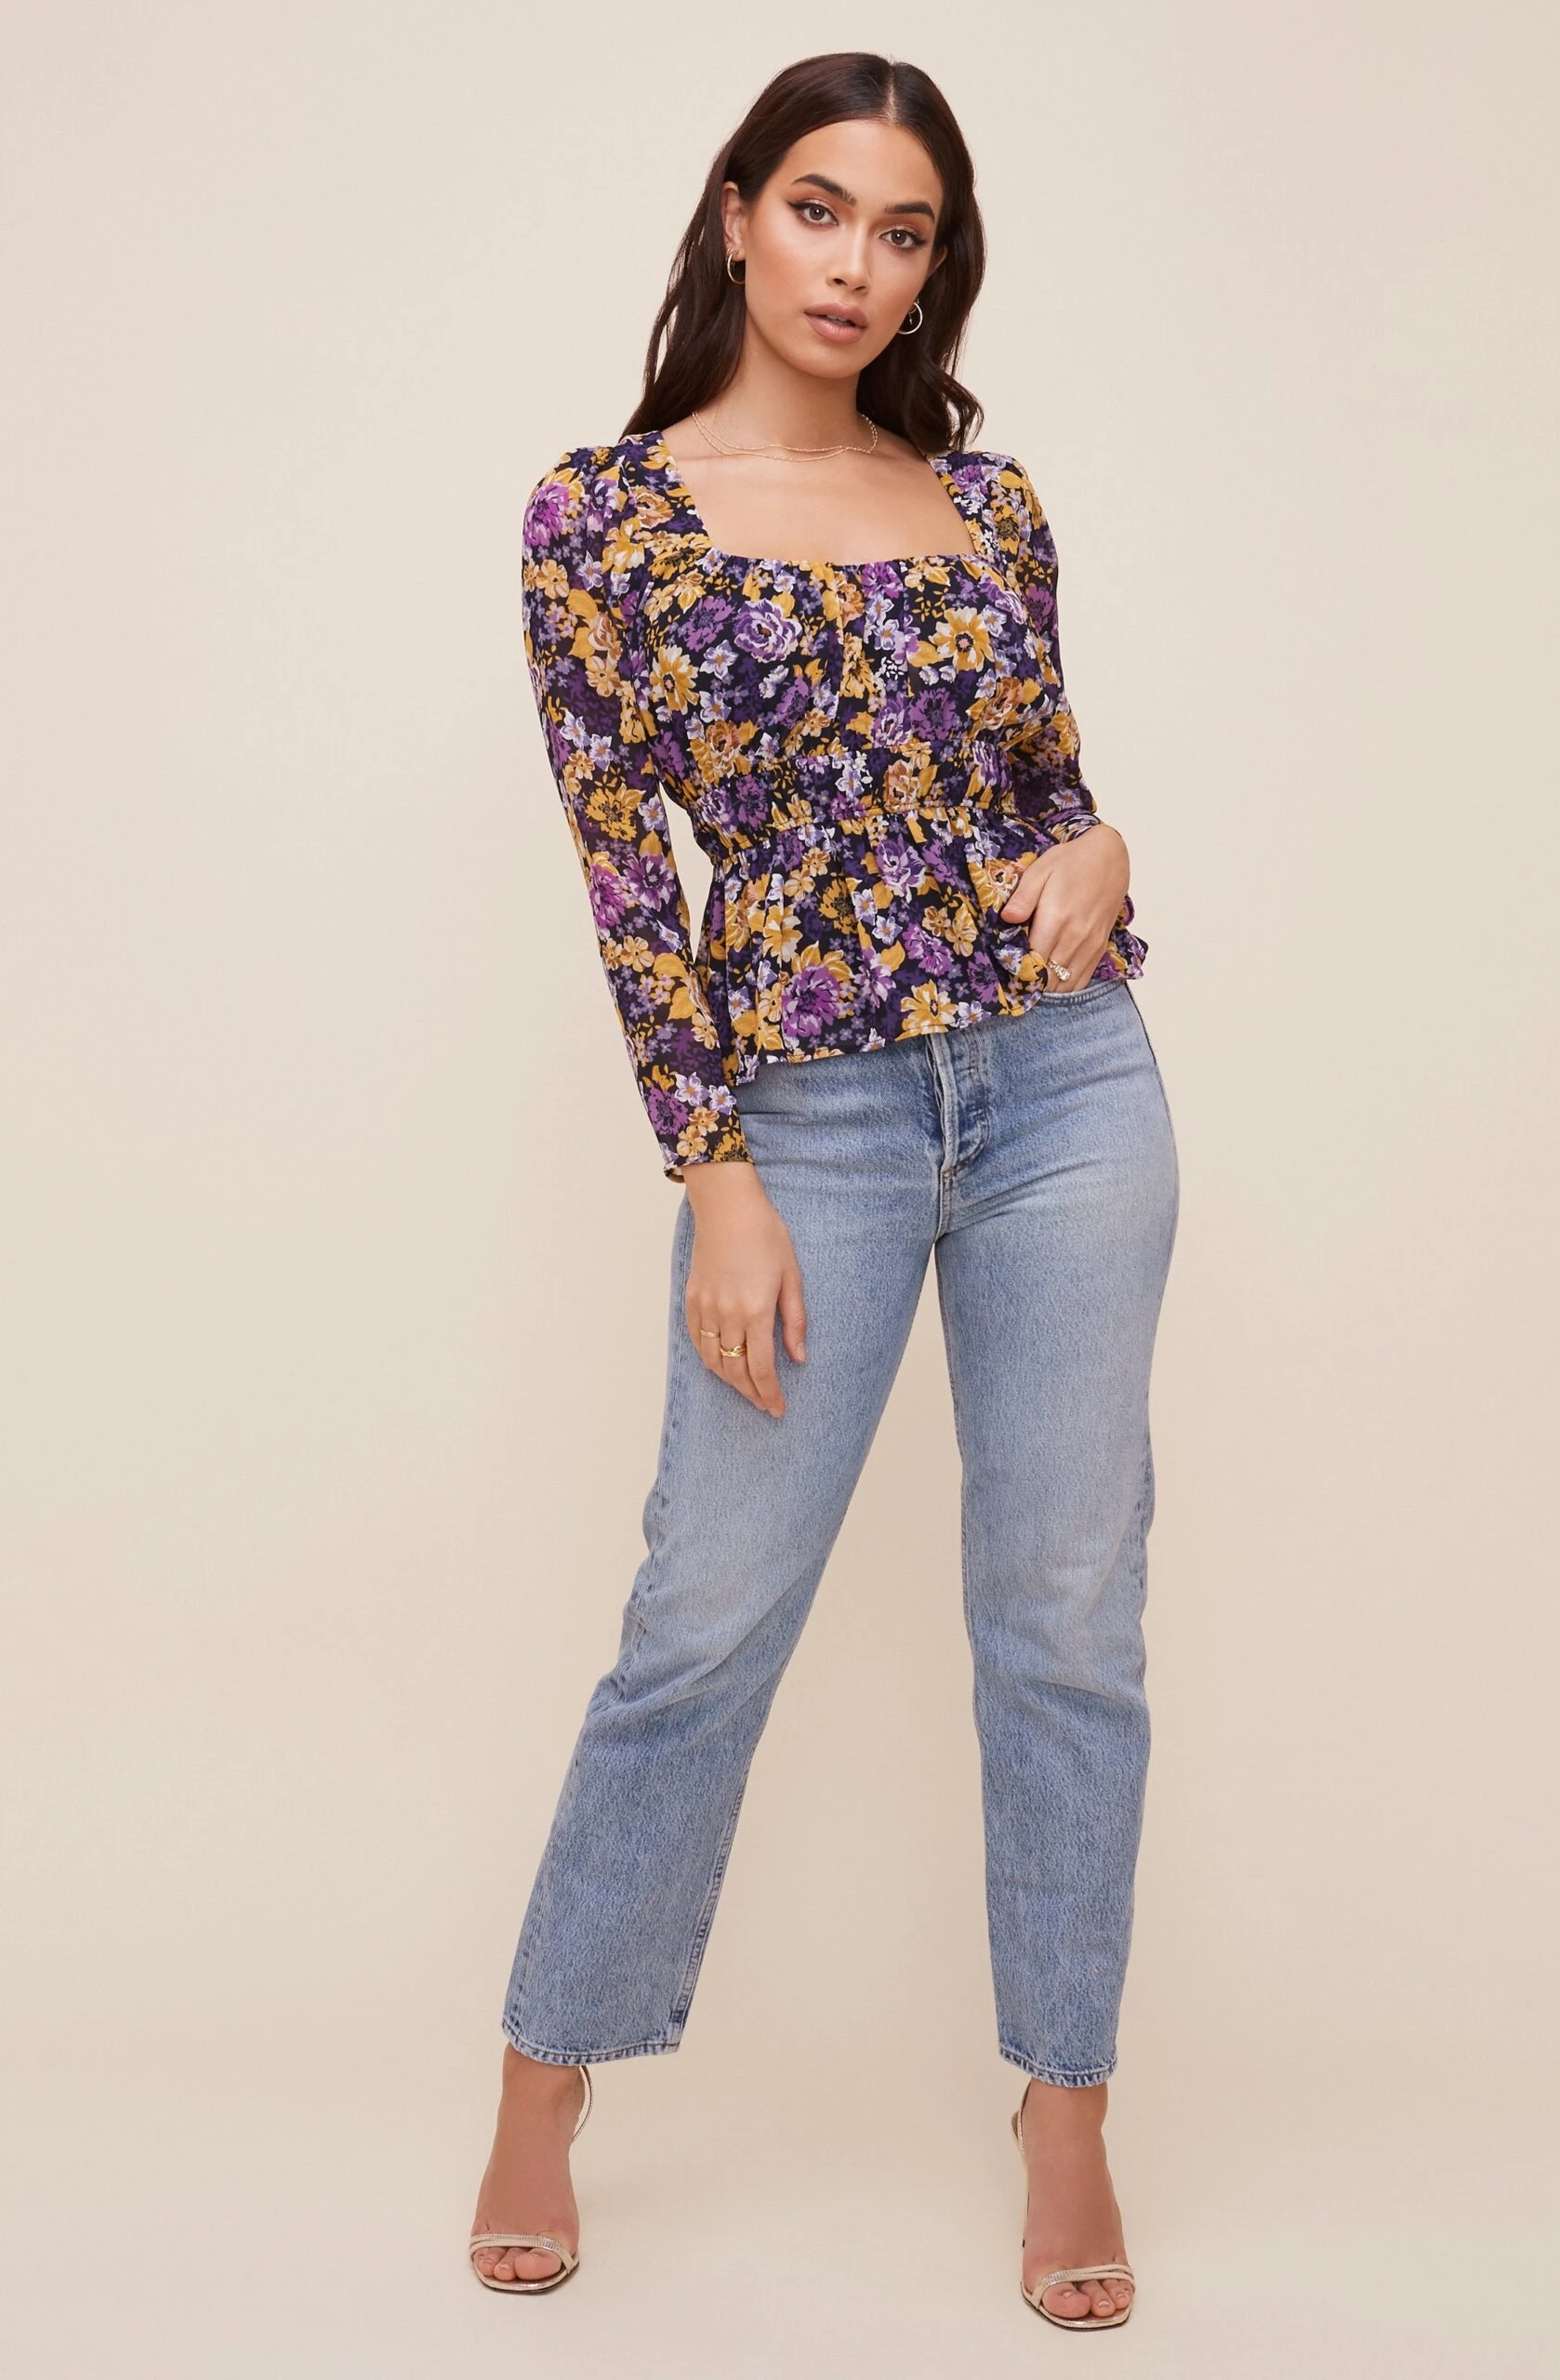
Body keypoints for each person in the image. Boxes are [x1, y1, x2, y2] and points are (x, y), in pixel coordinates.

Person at [468, 51, 1178, 2334]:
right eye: (817, 209)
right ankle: (546, 2070)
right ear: (735, 213)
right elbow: (625, 881)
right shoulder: (600, 518)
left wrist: (1103, 845)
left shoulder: (986, 499)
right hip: (815, 1118)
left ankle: (1061, 2101)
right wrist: (717, 1172)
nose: (857, 265)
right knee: (706, 1607)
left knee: (1062, 1607)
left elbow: (1047, 788)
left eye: (903, 230)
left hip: (1065, 1087)